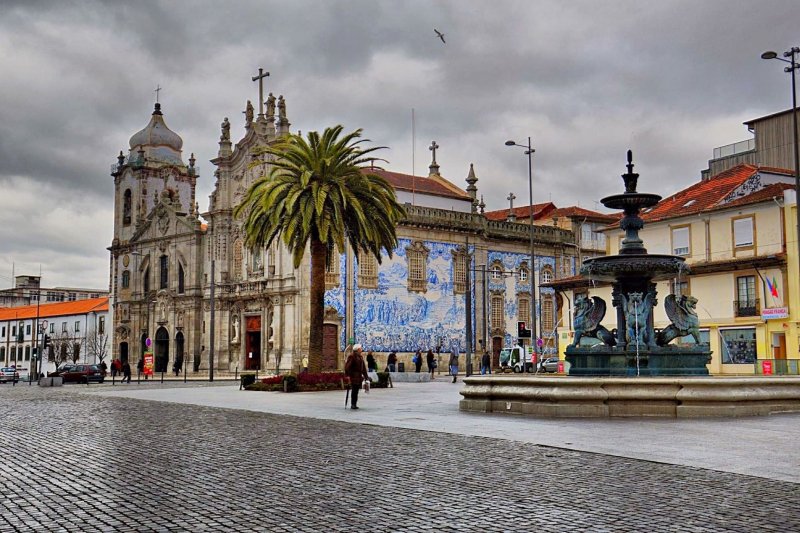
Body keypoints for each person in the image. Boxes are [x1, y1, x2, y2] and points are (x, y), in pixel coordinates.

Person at [344, 344, 369, 410]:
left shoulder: (360, 357)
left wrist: (366, 377)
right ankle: (353, 404)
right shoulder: (352, 356)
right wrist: (348, 376)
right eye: (361, 348)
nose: (361, 349)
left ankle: (355, 403)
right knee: (354, 390)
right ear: (358, 349)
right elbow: (347, 367)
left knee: (356, 391)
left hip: (358, 377)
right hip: (353, 377)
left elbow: (363, 368)